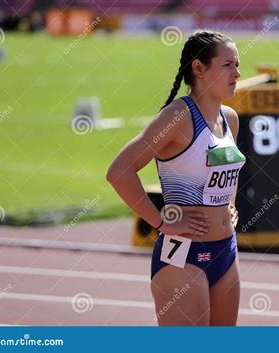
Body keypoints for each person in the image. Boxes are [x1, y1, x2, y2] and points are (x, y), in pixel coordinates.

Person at [106, 30, 245, 326]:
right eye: (228, 65)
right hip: (183, 254)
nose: (237, 72)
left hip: (226, 250)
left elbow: (222, 173)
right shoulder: (178, 117)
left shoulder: (229, 119)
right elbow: (119, 171)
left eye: (237, 64)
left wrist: (228, 204)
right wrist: (160, 222)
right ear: (198, 68)